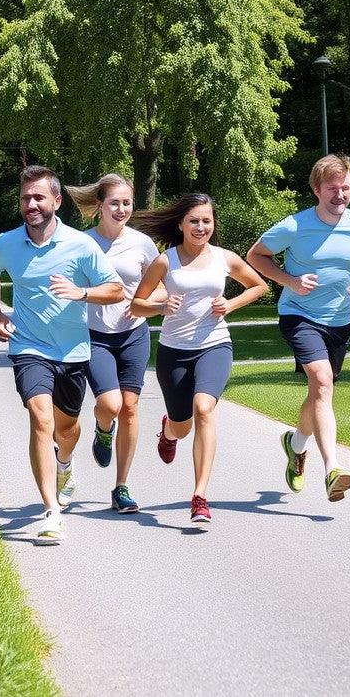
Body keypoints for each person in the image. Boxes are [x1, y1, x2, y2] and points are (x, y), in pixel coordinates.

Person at [0, 165, 124, 545]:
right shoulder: (6, 243)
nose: (31, 204)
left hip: (74, 352)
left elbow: (115, 290)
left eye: (39, 197)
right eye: (26, 197)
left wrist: (81, 293)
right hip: (28, 347)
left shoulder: (81, 244)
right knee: (41, 420)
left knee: (66, 428)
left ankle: (64, 463)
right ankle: (51, 511)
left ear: (56, 201)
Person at [246, 154, 350, 502]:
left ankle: (295, 445)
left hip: (339, 321)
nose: (339, 195)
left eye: (345, 188)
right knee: (323, 382)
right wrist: (290, 281)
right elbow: (256, 256)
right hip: (298, 315)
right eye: (332, 188)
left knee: (319, 394)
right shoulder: (294, 226)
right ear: (316, 190)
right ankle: (333, 469)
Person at [130, 193, 267, 524]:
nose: (201, 226)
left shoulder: (224, 258)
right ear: (181, 224)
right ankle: (168, 431)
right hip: (174, 352)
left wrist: (230, 305)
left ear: (213, 223)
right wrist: (161, 308)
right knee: (182, 425)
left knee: (204, 410)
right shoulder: (165, 262)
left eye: (207, 220)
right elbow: (136, 305)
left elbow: (258, 286)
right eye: (194, 220)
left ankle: (200, 496)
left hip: (214, 345)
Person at [64, 173, 161, 513]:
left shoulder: (143, 244)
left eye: (127, 203)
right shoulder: (82, 243)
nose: (121, 209)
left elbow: (159, 285)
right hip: (94, 336)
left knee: (131, 407)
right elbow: (68, 288)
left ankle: (121, 487)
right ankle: (104, 428)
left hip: (134, 333)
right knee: (110, 404)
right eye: (114, 203)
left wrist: (153, 303)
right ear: (100, 206)